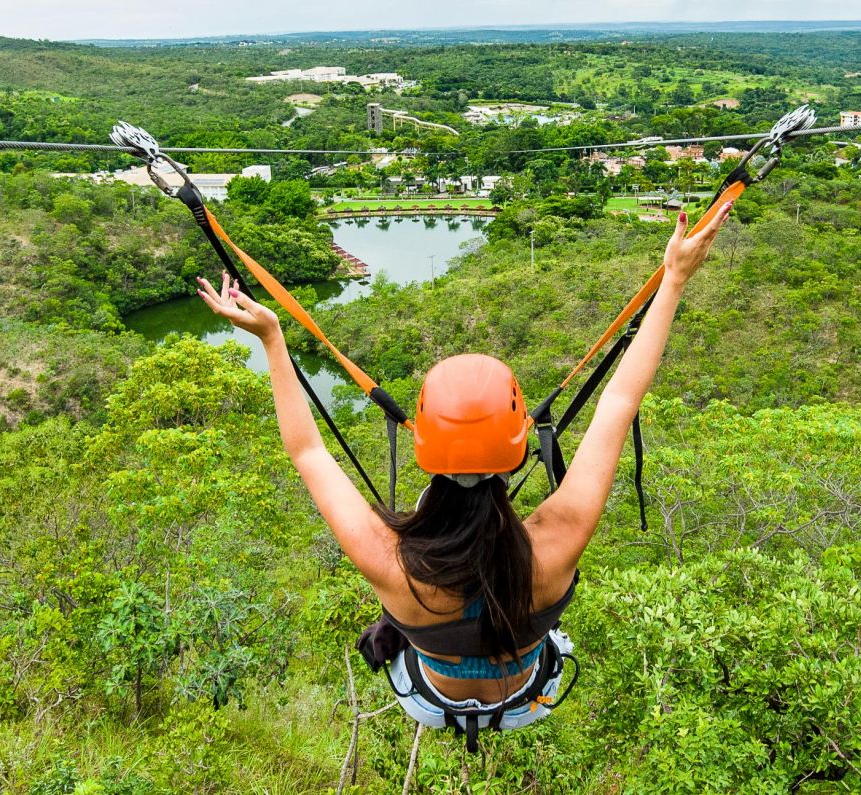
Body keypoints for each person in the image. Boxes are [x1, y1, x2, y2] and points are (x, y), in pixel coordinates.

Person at [193, 204, 730, 744]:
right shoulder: (555, 544)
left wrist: (272, 338)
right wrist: (675, 279)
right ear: (518, 449)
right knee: (546, 646)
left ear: (425, 444)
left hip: (428, 700)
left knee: (403, 640)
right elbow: (618, 401)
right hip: (528, 699)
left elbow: (308, 451)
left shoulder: (391, 560)